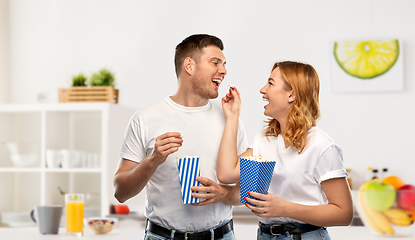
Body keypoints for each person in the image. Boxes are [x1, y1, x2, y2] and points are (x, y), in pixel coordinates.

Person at [113, 34, 249, 240]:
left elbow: (250, 189)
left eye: (224, 64)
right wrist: (153, 160)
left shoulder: (230, 121)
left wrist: (224, 193)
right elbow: (120, 192)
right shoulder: (145, 119)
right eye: (215, 62)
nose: (223, 70)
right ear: (189, 65)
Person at [217, 61, 353, 240]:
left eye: (271, 83)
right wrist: (233, 116)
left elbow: (344, 213)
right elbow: (226, 174)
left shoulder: (321, 145)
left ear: (292, 95)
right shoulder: (264, 139)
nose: (262, 90)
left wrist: (284, 208)